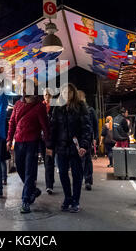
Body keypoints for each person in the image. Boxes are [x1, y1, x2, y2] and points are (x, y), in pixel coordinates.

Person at [6, 79, 50, 213]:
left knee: (30, 170)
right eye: (22, 87)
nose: (24, 90)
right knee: (19, 168)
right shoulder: (18, 104)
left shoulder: (40, 106)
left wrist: (48, 145)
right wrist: (9, 139)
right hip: (19, 141)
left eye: (26, 87)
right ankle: (33, 190)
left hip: (32, 142)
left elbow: (45, 126)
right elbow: (12, 122)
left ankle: (25, 200)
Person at [49, 83, 92, 213]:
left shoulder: (81, 107)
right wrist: (50, 146)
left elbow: (86, 128)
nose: (66, 94)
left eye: (69, 92)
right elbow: (53, 128)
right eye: (64, 92)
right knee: (62, 173)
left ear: (73, 93)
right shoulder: (57, 108)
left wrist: (84, 145)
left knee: (77, 175)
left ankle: (75, 201)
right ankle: (67, 198)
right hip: (61, 147)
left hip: (76, 147)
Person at [78, 90, 97, 191]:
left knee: (87, 160)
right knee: (80, 160)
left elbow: (95, 125)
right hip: (77, 140)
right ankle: (82, 180)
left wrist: (95, 138)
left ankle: (88, 180)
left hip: (87, 139)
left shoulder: (90, 110)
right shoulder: (74, 110)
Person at [43, 88, 55, 194]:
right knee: (46, 161)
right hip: (41, 139)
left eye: (48, 94)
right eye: (45, 94)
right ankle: (50, 181)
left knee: (49, 161)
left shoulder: (55, 107)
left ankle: (49, 185)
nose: (47, 96)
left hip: (51, 139)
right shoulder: (41, 107)